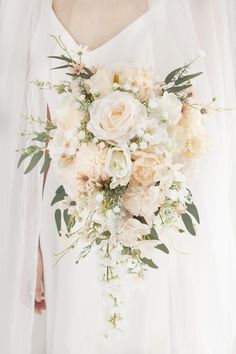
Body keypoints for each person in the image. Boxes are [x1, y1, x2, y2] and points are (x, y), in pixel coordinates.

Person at [1, 1, 236, 354]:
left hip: (151, 224)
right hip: (67, 225)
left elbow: (198, 129)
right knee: (75, 333)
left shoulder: (180, 8)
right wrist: (30, 245)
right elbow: (40, 133)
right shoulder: (36, 8)